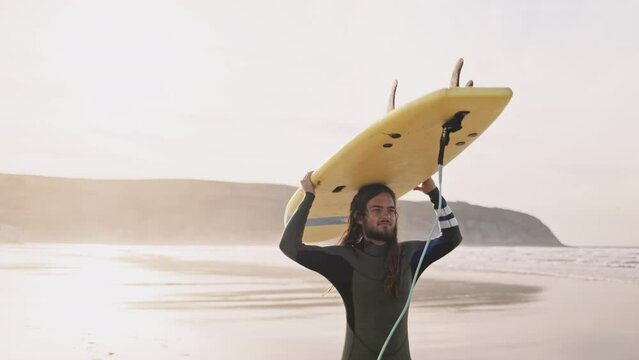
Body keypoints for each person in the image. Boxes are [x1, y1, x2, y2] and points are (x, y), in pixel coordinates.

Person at [279, 171, 463, 360]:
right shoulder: (344, 261)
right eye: (377, 209)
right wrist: (309, 196)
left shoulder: (411, 255)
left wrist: (433, 193)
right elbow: (289, 246)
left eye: (391, 210)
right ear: (359, 217)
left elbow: (452, 237)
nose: (386, 216)